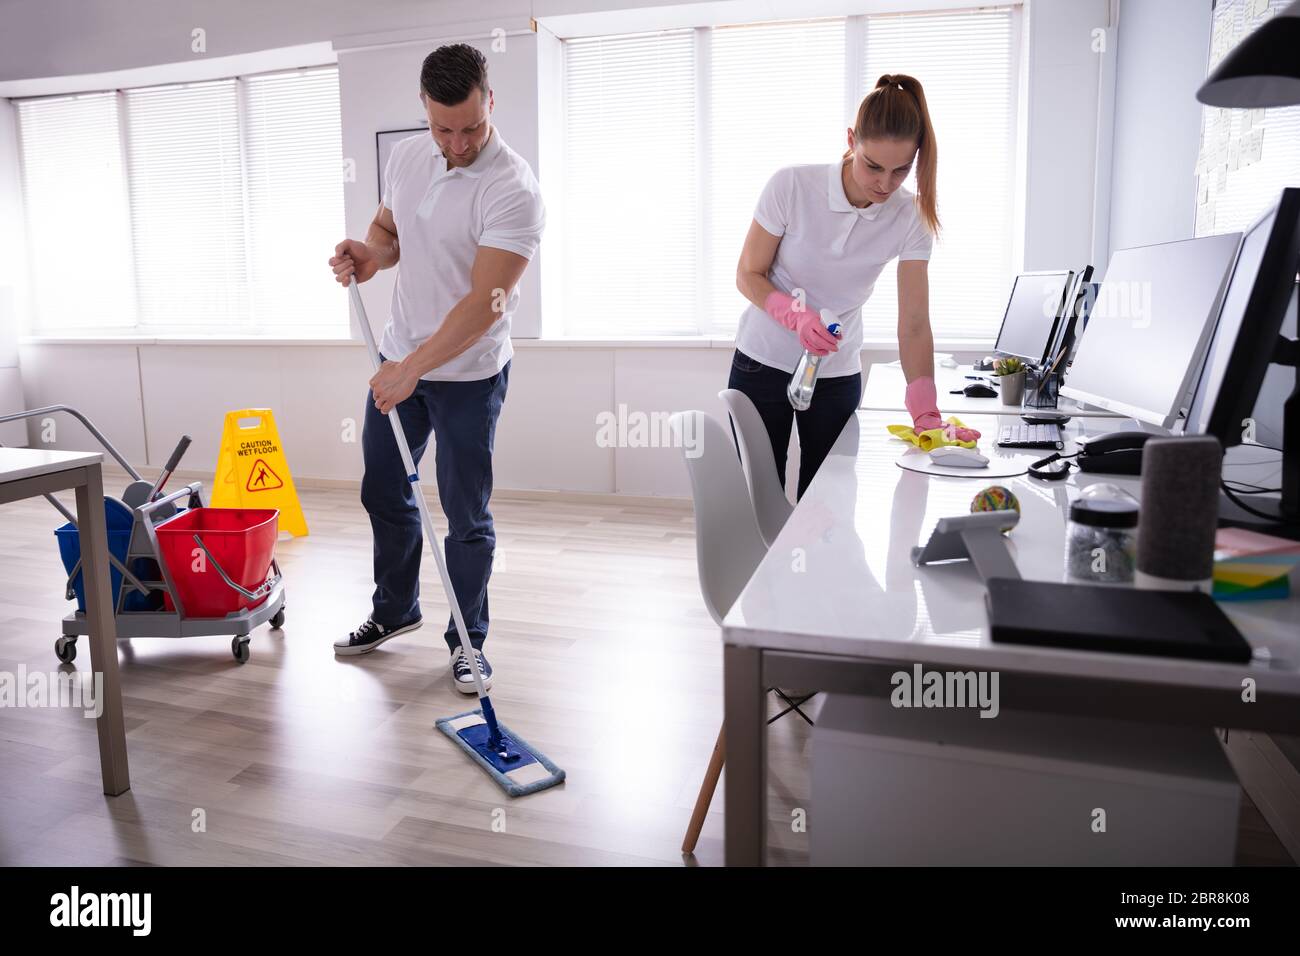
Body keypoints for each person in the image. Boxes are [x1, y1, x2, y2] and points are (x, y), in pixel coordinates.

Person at [328, 44, 545, 693]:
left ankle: (468, 640)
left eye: (470, 128)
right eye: (443, 128)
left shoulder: (514, 189)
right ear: (425, 110)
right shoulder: (407, 157)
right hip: (402, 359)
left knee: (464, 511)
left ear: (490, 104)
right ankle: (395, 611)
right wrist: (371, 254)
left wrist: (411, 369)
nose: (456, 142)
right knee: (384, 489)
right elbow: (390, 229)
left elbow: (485, 303)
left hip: (468, 375)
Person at [730, 73, 977, 500]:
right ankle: (762, 570)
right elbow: (748, 273)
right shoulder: (791, 186)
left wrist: (925, 409)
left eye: (901, 169)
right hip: (763, 362)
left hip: (836, 372)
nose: (884, 184)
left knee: (827, 504)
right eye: (873, 166)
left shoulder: (911, 217)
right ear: (851, 140)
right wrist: (794, 316)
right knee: (758, 497)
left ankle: (815, 569)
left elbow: (914, 324)